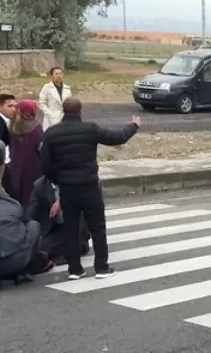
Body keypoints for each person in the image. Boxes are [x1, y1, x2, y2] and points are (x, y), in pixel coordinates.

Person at [40, 97, 140, 281]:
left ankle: (75, 270)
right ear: (80, 111)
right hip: (89, 185)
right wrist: (133, 125)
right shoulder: (90, 129)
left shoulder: (51, 133)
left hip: (67, 188)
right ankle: (101, 268)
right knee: (97, 228)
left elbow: (45, 164)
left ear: (63, 110)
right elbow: (116, 137)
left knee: (70, 228)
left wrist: (59, 180)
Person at [27, 175, 89, 264]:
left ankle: (69, 250)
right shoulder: (40, 186)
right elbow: (31, 213)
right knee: (41, 246)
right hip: (54, 229)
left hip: (74, 226)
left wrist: (61, 201)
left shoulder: (72, 181)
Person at [7, 99, 44, 207]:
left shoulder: (12, 126)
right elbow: (41, 148)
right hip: (32, 166)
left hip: (16, 164)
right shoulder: (35, 128)